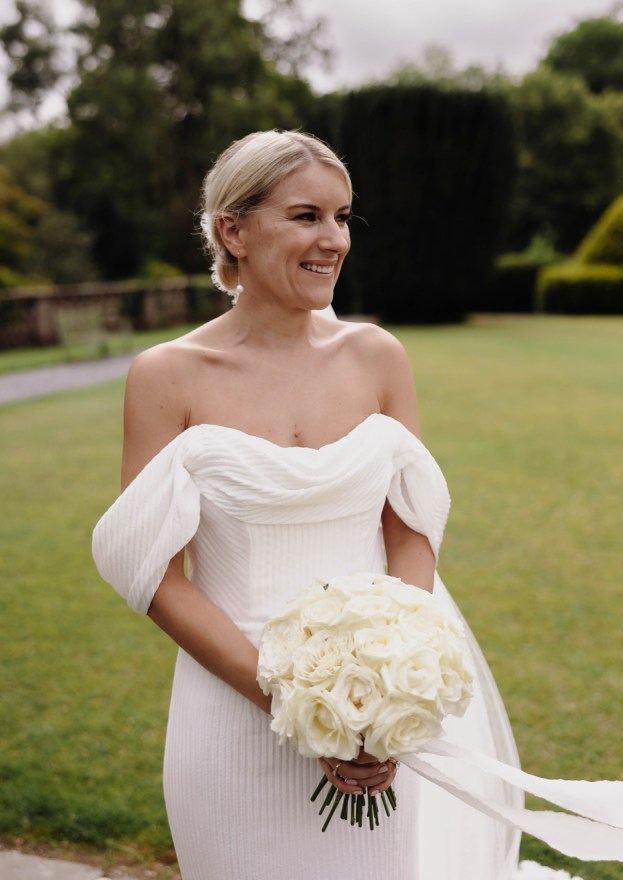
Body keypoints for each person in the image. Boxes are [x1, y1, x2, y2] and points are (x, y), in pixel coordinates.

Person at [92, 130, 524, 880]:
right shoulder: (166, 376)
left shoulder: (377, 356)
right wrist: (288, 696)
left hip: (374, 717)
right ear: (233, 229)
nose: (333, 240)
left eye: (342, 216)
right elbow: (154, 574)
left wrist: (383, 685)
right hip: (229, 703)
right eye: (305, 217)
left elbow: (409, 530)